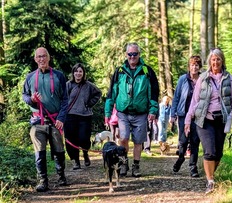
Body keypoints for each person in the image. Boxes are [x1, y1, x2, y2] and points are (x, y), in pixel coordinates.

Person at [184, 48, 232, 194]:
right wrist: (187, 119)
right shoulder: (203, 78)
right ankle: (210, 181)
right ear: (209, 62)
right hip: (204, 119)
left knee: (218, 153)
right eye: (213, 59)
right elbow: (195, 101)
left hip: (222, 119)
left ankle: (210, 173)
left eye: (218, 59)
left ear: (222, 61)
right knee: (209, 151)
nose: (215, 62)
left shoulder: (229, 79)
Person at [104, 42, 159, 177]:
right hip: (123, 112)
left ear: (139, 54)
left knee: (138, 141)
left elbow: (154, 93)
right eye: (130, 54)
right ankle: (124, 163)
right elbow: (112, 93)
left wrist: (153, 110)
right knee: (123, 138)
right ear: (126, 55)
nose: (132, 57)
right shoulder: (119, 72)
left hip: (141, 113)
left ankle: (136, 166)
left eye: (135, 54)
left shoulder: (147, 71)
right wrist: (107, 112)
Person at [22, 47, 68, 192]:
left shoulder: (59, 76)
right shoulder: (30, 77)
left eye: (44, 56)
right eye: (39, 57)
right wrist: (31, 100)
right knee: (39, 153)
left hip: (55, 121)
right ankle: (43, 181)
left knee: (59, 151)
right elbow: (24, 95)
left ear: (49, 58)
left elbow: (65, 99)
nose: (41, 59)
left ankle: (61, 176)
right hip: (37, 122)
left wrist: (61, 117)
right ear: (35, 59)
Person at [64, 63, 102, 170]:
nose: (78, 73)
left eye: (80, 71)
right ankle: (75, 160)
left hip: (85, 116)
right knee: (71, 139)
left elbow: (98, 93)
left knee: (84, 138)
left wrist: (90, 103)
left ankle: (85, 153)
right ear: (73, 73)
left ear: (83, 73)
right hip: (70, 115)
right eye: (76, 71)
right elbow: (62, 99)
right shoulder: (68, 85)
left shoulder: (89, 85)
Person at [170, 55, 202, 178]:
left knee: (195, 141)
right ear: (189, 66)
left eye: (197, 65)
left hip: (197, 116)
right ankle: (181, 158)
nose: (194, 67)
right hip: (183, 114)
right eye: (192, 65)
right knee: (183, 141)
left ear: (199, 67)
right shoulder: (183, 79)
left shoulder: (202, 80)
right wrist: (173, 114)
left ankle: (193, 167)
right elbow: (176, 97)